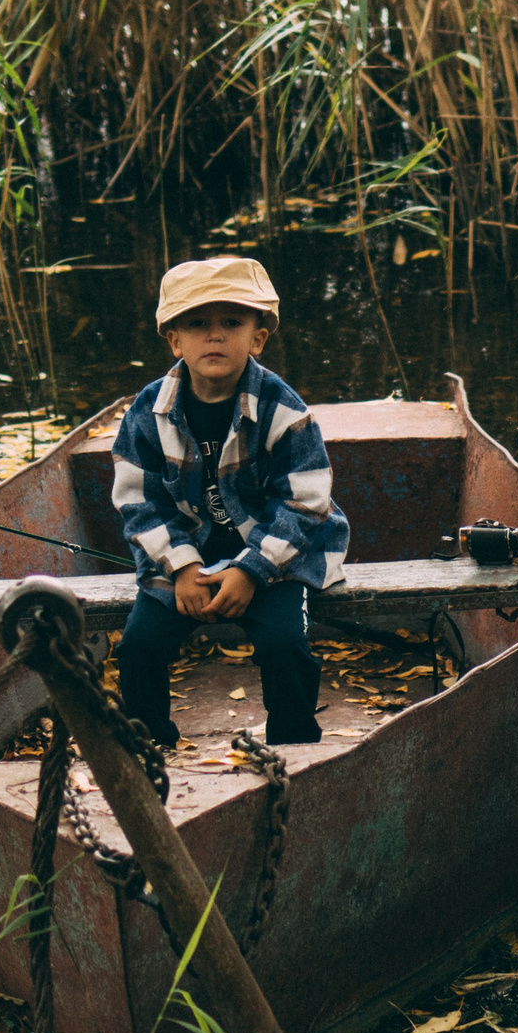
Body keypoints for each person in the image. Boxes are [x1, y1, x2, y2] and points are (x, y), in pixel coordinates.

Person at [110, 256, 347, 745]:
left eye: (231, 323)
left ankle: (295, 742)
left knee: (285, 644)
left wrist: (251, 570)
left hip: (275, 555)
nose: (214, 336)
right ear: (174, 339)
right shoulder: (148, 410)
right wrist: (179, 567)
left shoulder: (283, 407)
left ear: (257, 337)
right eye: (197, 324)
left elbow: (306, 500)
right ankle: (149, 744)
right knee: (138, 646)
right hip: (185, 554)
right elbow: (138, 499)